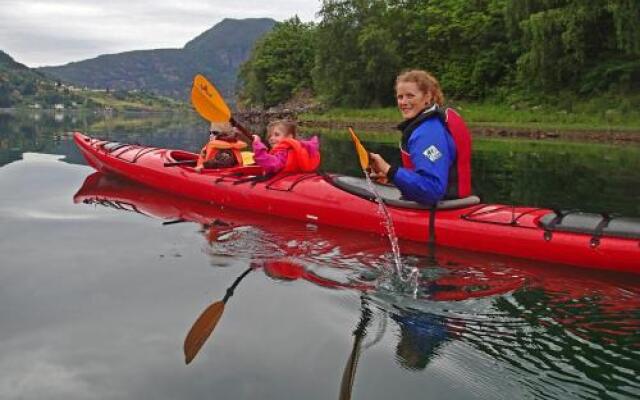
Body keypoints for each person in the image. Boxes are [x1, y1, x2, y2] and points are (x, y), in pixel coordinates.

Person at [369, 70, 472, 205]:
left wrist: (389, 169)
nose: (404, 102)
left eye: (410, 96)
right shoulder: (431, 125)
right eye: (400, 97)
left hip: (441, 210)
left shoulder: (427, 133)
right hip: (455, 204)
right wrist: (391, 177)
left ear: (427, 97)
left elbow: (432, 189)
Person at [251, 119, 320, 175]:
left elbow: (271, 164)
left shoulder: (283, 152)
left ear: (289, 137)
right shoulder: (298, 149)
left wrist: (257, 145)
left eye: (276, 135)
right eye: (269, 136)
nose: (271, 138)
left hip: (282, 184)